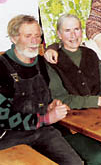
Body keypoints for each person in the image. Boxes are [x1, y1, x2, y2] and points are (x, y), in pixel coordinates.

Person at [0, 15, 82, 165]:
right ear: (13, 38)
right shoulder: (1, 67)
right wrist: (46, 118)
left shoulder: (41, 63)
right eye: (28, 36)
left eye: (37, 36)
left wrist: (50, 105)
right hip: (9, 136)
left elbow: (42, 99)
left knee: (75, 163)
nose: (34, 41)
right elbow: (2, 117)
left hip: (42, 131)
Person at [47, 14, 101, 165]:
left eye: (77, 29)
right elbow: (63, 99)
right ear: (59, 34)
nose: (73, 35)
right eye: (67, 30)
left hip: (98, 120)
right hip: (70, 126)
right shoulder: (52, 61)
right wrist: (99, 101)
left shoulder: (90, 54)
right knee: (99, 158)